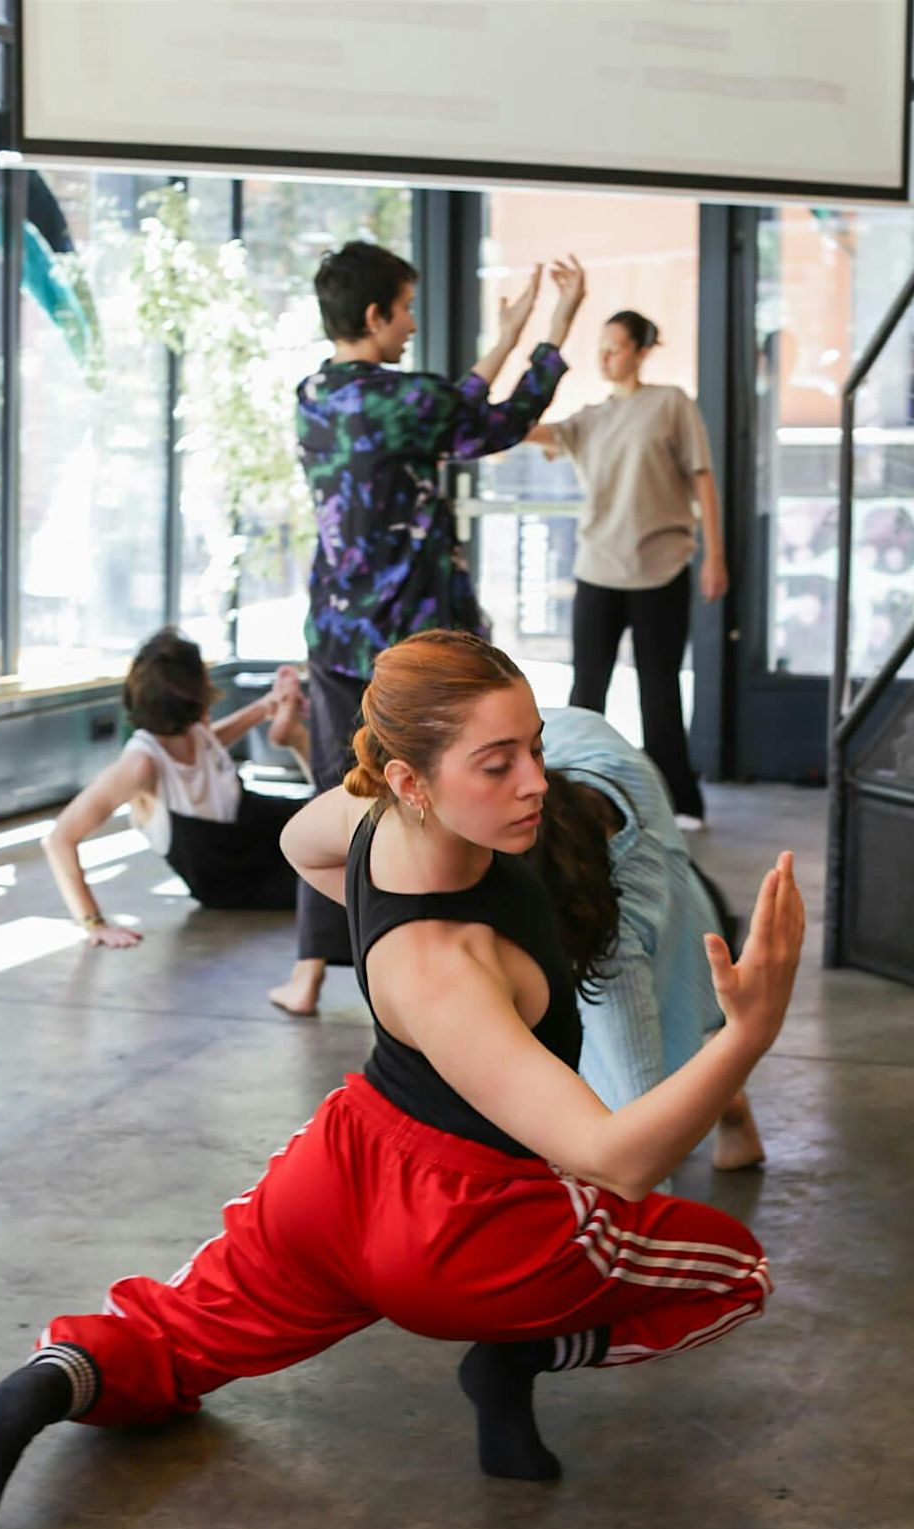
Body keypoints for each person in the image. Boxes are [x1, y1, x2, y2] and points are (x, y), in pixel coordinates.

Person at [0, 631, 803, 1529]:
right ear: (415, 781)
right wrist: (748, 1034)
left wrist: (382, 927)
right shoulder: (448, 967)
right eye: (497, 765)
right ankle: (515, 1357)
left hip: (338, 1167)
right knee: (738, 1271)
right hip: (470, 1230)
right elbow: (617, 1160)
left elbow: (302, 845)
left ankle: (48, 1381)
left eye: (533, 747)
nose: (535, 779)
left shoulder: (369, 820)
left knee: (174, 1334)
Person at [281, 239, 586, 1018]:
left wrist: (507, 334)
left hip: (334, 633)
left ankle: (313, 972)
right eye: (407, 308)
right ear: (377, 314)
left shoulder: (314, 393)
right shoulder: (406, 401)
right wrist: (554, 327)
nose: (413, 322)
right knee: (445, 795)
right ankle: (452, 954)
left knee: (338, 795)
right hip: (410, 647)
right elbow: (494, 421)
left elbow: (442, 412)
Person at [531, 706, 763, 1182]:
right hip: (682, 895)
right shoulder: (559, 758)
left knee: (644, 1056)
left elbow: (640, 1140)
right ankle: (733, 1109)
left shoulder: (616, 950)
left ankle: (732, 1108)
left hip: (665, 913)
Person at [528, 309, 727, 827]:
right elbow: (529, 431)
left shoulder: (671, 404)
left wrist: (716, 556)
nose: (606, 356)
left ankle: (679, 802)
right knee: (586, 689)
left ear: (641, 350)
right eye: (601, 346)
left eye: (615, 346)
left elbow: (703, 480)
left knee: (659, 688)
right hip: (598, 567)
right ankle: (566, 796)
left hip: (661, 565)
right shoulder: (590, 418)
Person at [43, 629, 312, 1011]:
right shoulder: (140, 764)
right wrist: (93, 922)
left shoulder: (192, 730)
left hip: (249, 823)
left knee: (339, 817)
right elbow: (59, 838)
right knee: (332, 879)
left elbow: (209, 744)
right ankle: (295, 739)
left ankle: (293, 737)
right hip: (228, 871)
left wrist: (264, 707)